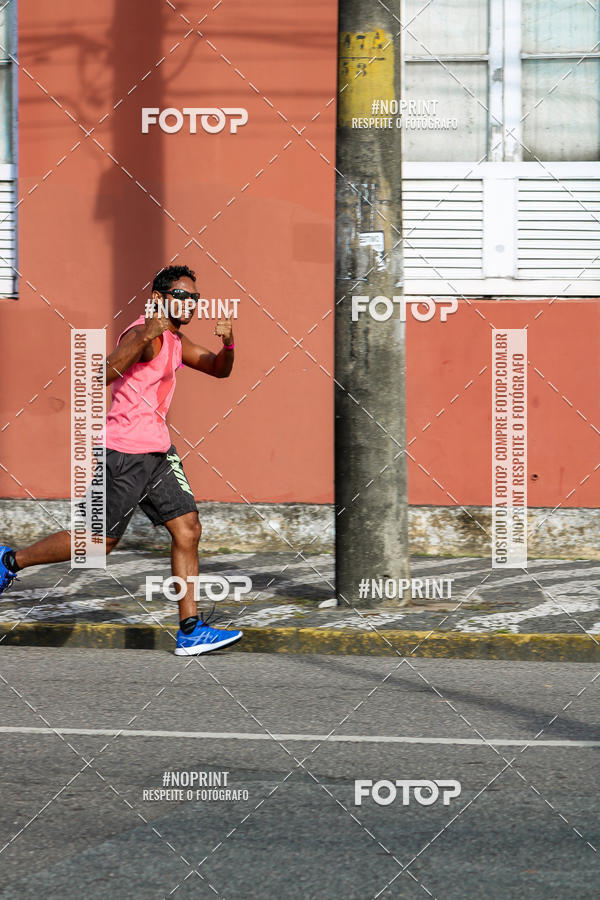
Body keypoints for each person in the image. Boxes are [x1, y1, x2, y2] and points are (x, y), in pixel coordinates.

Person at [0, 264, 242, 656]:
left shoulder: (176, 340)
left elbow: (218, 369)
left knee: (188, 530)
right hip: (124, 453)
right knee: (98, 544)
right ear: (160, 298)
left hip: (158, 453)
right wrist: (146, 332)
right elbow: (104, 373)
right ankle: (11, 560)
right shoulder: (143, 333)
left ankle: (190, 629)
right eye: (182, 296)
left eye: (195, 298)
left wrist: (230, 344)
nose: (191, 304)